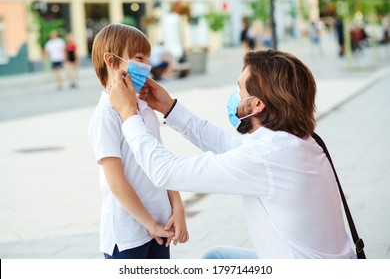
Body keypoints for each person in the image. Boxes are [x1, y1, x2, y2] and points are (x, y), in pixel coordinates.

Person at [108, 49, 355, 259]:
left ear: (257, 104)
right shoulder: (295, 141)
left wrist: (129, 114)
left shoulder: (267, 155)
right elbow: (226, 146)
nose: (235, 96)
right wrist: (168, 107)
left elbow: (165, 172)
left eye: (239, 89)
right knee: (216, 258)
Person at [88, 23, 189, 259]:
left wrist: (178, 207)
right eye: (138, 58)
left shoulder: (143, 107)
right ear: (111, 61)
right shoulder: (105, 116)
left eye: (147, 59)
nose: (146, 66)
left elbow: (160, 159)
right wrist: (149, 224)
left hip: (161, 225)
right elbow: (116, 182)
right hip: (128, 235)